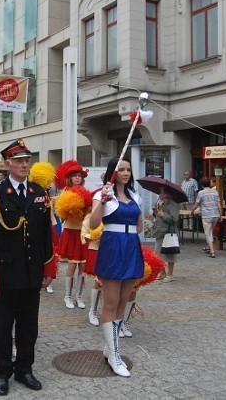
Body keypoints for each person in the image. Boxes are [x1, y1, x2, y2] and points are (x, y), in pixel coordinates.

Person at [0, 139, 55, 395]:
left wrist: (48, 269)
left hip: (32, 272)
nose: (24, 164)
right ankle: (2, 373)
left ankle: (25, 369)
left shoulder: (38, 193)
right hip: (4, 274)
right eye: (19, 160)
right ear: (7, 163)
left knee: (28, 326)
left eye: (27, 159)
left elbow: (46, 235)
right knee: (2, 327)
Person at [90, 157, 143, 378]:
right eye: (121, 169)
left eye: (128, 169)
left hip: (131, 247)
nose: (126, 173)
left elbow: (139, 226)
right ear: (113, 172)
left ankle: (111, 347)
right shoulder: (103, 194)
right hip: (112, 247)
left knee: (124, 299)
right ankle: (114, 354)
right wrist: (103, 200)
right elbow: (93, 224)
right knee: (110, 302)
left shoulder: (135, 196)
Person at [54, 160, 90, 310]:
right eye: (74, 176)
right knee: (72, 264)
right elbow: (60, 215)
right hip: (70, 231)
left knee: (82, 266)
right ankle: (67, 296)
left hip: (82, 231)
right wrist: (69, 210)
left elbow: (90, 211)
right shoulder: (66, 193)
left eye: (79, 176)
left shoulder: (86, 192)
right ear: (69, 178)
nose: (77, 178)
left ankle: (78, 296)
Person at [153, 187, 180, 283]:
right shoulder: (161, 204)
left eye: (161, 192)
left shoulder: (173, 205)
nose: (159, 194)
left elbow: (174, 219)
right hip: (160, 231)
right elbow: (159, 216)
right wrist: (156, 212)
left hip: (168, 232)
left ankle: (170, 274)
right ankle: (162, 272)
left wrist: (163, 215)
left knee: (169, 254)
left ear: (166, 194)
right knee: (158, 253)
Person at [192, 177, 223, 258]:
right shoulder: (215, 192)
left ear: (201, 184)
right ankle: (207, 247)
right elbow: (219, 205)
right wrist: (221, 215)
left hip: (206, 215)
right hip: (215, 215)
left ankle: (212, 252)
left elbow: (196, 204)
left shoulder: (201, 193)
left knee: (208, 233)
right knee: (210, 231)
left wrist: (192, 211)